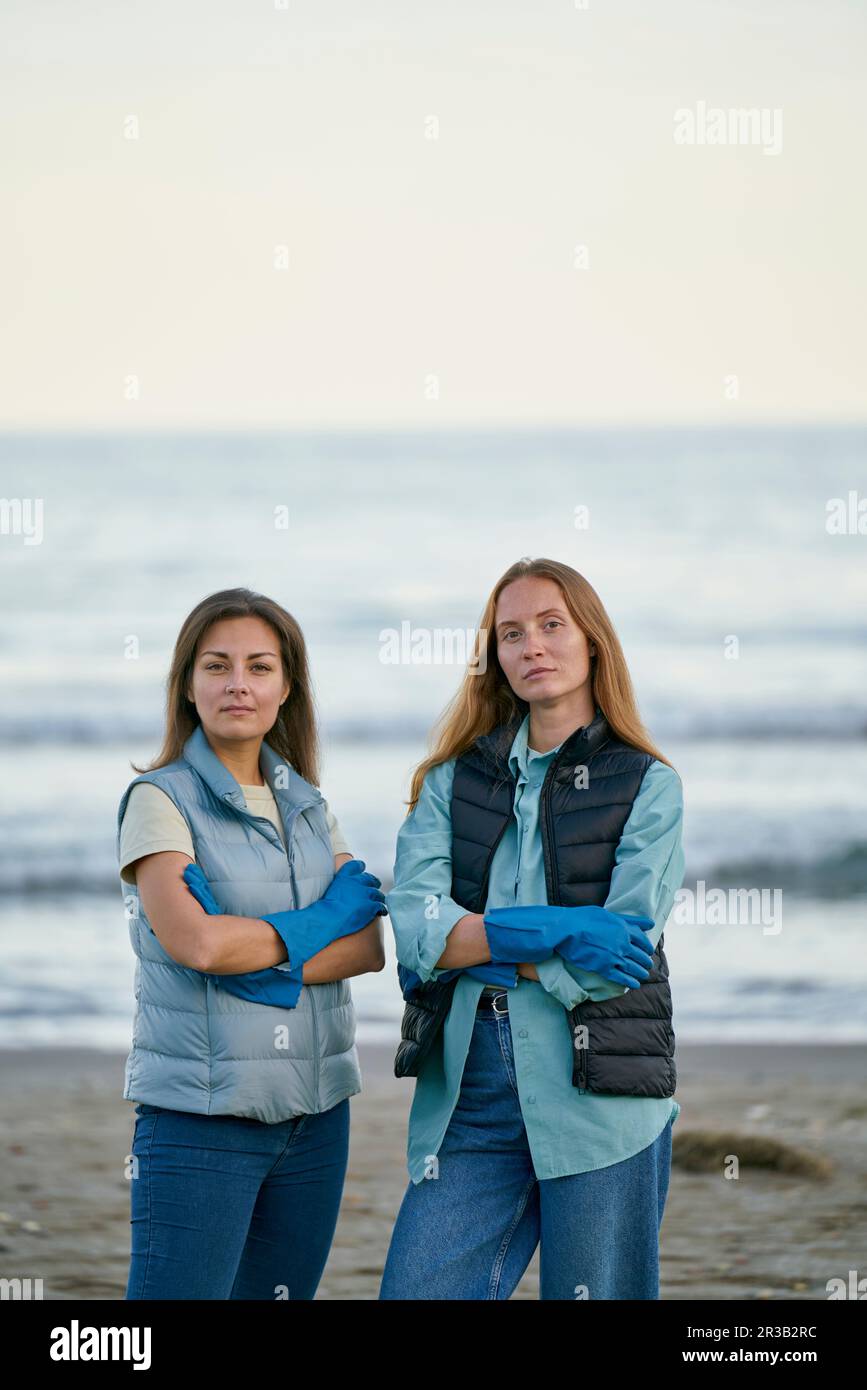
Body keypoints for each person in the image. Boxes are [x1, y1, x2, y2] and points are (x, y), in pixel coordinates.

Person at [380, 556, 685, 1300]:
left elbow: (616, 955)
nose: (531, 647)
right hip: (470, 1087)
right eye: (510, 633)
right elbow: (416, 928)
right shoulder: (451, 780)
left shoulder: (648, 784)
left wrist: (482, 948)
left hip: (598, 1088)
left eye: (551, 625)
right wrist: (548, 930)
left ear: (592, 643)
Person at [117, 586, 386, 1299]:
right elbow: (199, 946)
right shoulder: (159, 801)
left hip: (318, 1115)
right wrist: (324, 919)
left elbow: (367, 951)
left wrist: (257, 962)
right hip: (202, 1119)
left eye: (259, 666)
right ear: (186, 686)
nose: (238, 683)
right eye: (217, 665)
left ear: (286, 686)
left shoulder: (308, 803)